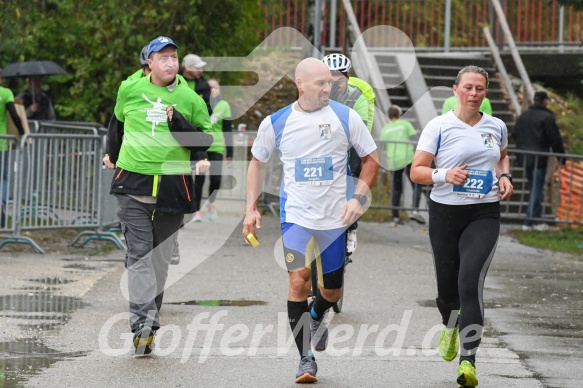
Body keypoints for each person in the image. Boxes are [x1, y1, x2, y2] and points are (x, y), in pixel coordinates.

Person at [242, 58, 379, 383]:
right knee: (298, 281)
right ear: (300, 84)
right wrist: (251, 207)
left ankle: (318, 313)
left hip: (335, 218)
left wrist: (358, 197)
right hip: (296, 218)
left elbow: (371, 159)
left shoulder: (346, 117)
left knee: (331, 291)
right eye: (320, 83)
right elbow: (257, 163)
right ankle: (306, 359)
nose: (327, 88)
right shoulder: (276, 122)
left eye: (329, 83)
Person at [103, 36, 212, 356]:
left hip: (172, 186)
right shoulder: (130, 89)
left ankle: (150, 315)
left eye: (174, 57)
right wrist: (112, 153)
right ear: (148, 62)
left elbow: (204, 138)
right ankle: (142, 323)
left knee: (160, 260)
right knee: (139, 254)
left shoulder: (190, 97)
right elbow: (117, 123)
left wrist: (177, 120)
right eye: (162, 57)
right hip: (133, 184)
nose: (169, 62)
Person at [410, 65, 513, 388]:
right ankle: (449, 323)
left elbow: (502, 156)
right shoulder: (439, 126)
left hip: (483, 214)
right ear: (455, 90)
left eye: (480, 88)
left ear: (485, 93)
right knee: (447, 292)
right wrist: (445, 175)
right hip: (445, 214)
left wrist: (505, 176)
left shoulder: (496, 126)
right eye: (468, 87)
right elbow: (417, 171)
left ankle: (468, 361)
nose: (473, 94)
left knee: (470, 281)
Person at [322, 53, 375, 256]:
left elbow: (359, 132)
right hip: (327, 137)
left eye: (339, 77)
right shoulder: (320, 93)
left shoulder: (358, 96)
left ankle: (352, 227)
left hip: (352, 138)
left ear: (348, 77)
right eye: (330, 77)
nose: (334, 82)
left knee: (353, 171)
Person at [513, 90, 566, 231]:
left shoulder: (524, 116)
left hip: (524, 157)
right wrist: (561, 158)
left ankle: (538, 221)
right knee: (537, 190)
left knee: (534, 188)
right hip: (540, 158)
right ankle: (528, 221)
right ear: (545, 101)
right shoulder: (547, 117)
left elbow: (514, 133)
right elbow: (555, 140)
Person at [192, 78, 233, 222]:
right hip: (201, 146)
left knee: (216, 179)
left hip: (217, 146)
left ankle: (210, 203)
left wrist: (230, 152)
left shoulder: (224, 105)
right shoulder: (198, 103)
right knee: (199, 179)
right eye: (210, 88)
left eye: (216, 87)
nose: (213, 90)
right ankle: (196, 210)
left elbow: (227, 129)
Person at [380, 105, 425, 225]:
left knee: (397, 188)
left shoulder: (385, 129)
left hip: (394, 160)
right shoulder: (405, 124)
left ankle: (395, 216)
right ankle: (415, 210)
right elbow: (414, 139)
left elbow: (383, 146)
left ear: (389, 116)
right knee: (416, 185)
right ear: (399, 115)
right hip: (408, 157)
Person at [1, 67, 26, 227]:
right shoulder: (6, 93)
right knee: (2, 177)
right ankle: (1, 207)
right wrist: (22, 131)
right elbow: (14, 113)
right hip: (2, 143)